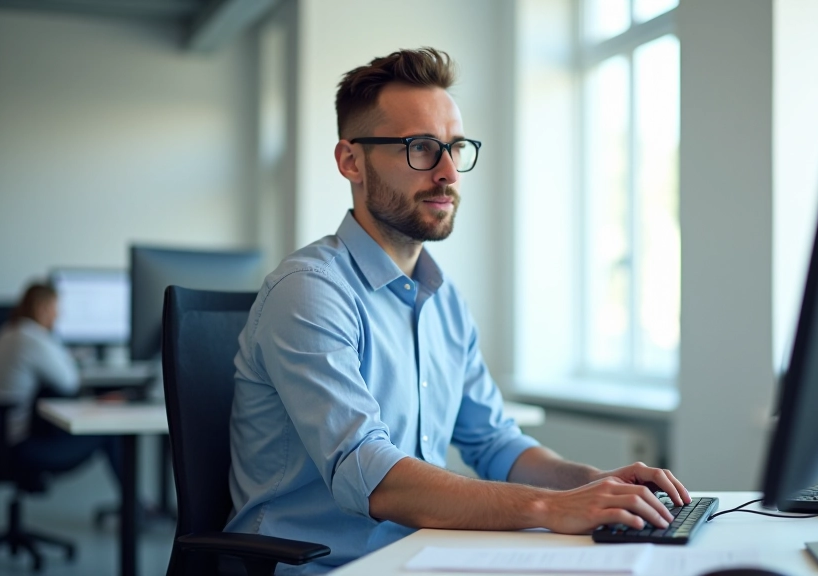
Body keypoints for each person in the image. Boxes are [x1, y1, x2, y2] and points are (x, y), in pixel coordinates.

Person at [226, 47, 690, 572]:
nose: (448, 172)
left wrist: (597, 484)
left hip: (419, 556)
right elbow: (371, 473)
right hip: (322, 566)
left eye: (456, 148)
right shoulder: (309, 291)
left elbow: (495, 443)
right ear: (350, 161)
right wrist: (551, 508)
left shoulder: (442, 299)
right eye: (421, 148)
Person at [0, 283, 122, 485]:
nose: (58, 315)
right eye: (56, 308)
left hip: (5, 439)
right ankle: (134, 508)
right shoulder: (34, 339)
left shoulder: (8, 332)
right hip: (21, 444)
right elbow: (69, 383)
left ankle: (134, 507)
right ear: (43, 308)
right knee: (110, 430)